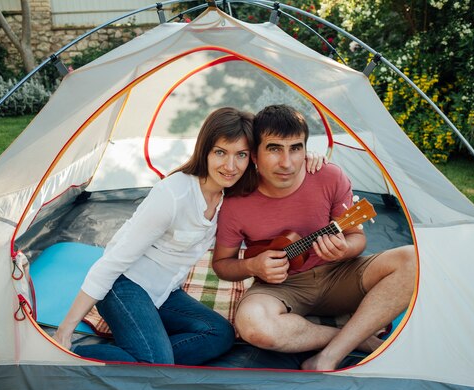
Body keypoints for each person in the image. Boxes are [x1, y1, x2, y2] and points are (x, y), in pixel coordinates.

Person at [53, 107, 325, 365]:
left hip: (166, 290)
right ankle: (77, 353)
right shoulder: (173, 194)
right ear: (205, 150)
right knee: (154, 361)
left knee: (220, 334)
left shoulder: (233, 194)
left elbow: (281, 165)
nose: (230, 165)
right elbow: (113, 261)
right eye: (221, 152)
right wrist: (65, 330)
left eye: (241, 155)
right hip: (125, 286)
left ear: (251, 157)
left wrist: (310, 160)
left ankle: (145, 356)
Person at [212, 104, 416, 371]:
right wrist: (252, 266)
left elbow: (357, 238)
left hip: (338, 275)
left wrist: (343, 251)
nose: (287, 162)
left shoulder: (329, 176)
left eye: (296, 148)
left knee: (413, 258)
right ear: (254, 155)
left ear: (306, 149)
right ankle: (356, 339)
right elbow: (221, 265)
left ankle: (327, 357)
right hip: (280, 287)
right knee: (253, 325)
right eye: (274, 149)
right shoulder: (236, 201)